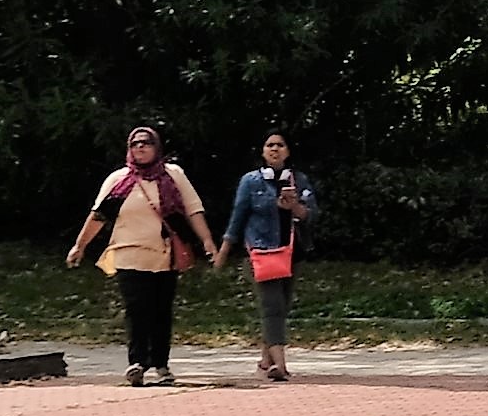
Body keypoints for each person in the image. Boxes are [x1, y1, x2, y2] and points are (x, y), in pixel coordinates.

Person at [66, 123, 214, 387]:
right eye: (135, 144)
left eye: (146, 142)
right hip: (128, 253)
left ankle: (160, 364)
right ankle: (137, 363)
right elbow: (99, 216)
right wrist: (80, 246)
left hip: (164, 255)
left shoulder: (173, 175)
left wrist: (206, 241)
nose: (140, 147)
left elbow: (193, 210)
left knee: (161, 310)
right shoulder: (119, 180)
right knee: (137, 308)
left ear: (157, 147)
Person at [226, 132, 317, 385]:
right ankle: (280, 365)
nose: (274, 149)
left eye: (280, 145)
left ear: (288, 151)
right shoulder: (251, 181)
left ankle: (265, 361)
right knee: (272, 306)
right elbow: (238, 216)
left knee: (282, 306)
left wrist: (294, 207)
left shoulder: (298, 180)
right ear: (263, 151)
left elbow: (311, 214)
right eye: (269, 145)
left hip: (291, 252)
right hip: (261, 251)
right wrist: (224, 249)